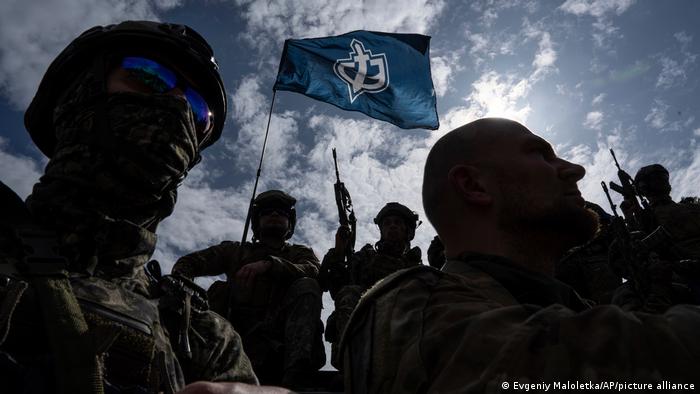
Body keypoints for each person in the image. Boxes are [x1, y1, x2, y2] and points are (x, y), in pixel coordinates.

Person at [340, 118, 700, 393]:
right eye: (540, 154)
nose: (576, 170)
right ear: (474, 185)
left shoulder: (574, 306)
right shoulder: (413, 310)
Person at [0, 21, 258, 393]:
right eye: (148, 76)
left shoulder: (201, 335)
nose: (177, 107)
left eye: (199, 113)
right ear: (79, 92)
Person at [172, 190, 325, 388]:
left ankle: (296, 378)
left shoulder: (298, 253)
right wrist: (182, 291)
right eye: (267, 211)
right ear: (257, 221)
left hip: (284, 347)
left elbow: (313, 271)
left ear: (290, 223)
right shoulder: (236, 251)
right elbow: (188, 263)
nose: (275, 215)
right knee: (218, 290)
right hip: (236, 340)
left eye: (282, 212)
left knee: (307, 286)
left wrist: (271, 265)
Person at [323, 202, 421, 369]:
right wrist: (339, 252)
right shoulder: (365, 256)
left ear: (407, 230)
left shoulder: (415, 267)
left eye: (398, 223)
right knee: (350, 293)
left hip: (401, 338)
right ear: (381, 230)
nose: (392, 226)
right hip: (364, 328)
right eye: (387, 223)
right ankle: (350, 369)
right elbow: (338, 289)